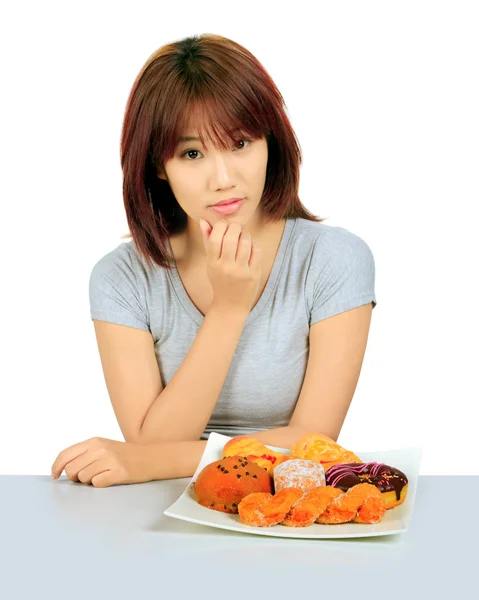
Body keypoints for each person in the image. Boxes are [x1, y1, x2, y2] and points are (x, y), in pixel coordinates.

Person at [51, 33, 377, 487]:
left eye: (240, 143)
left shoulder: (333, 260)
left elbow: (314, 442)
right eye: (191, 153)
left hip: (280, 510)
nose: (223, 178)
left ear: (271, 141)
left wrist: (149, 460)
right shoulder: (122, 278)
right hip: (151, 512)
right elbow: (150, 445)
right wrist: (228, 310)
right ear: (157, 165)